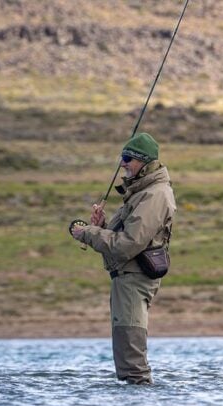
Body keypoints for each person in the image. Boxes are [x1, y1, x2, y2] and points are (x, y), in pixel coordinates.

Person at [72, 132, 176, 385]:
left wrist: (86, 232)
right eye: (122, 157)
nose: (123, 163)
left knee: (133, 364)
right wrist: (103, 227)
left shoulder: (154, 195)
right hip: (126, 277)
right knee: (127, 353)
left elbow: (127, 245)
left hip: (134, 278)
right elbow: (128, 236)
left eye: (128, 158)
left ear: (144, 162)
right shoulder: (142, 193)